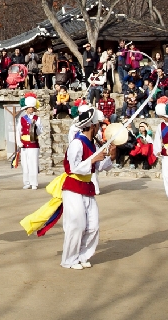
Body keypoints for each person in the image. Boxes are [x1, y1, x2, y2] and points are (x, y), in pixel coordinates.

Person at [21, 103, 114, 269]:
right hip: (73, 188)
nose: (100, 127)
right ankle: (69, 260)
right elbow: (72, 168)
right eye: (98, 125)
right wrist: (93, 159)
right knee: (76, 225)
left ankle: (82, 256)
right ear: (93, 126)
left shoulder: (93, 144)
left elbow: (98, 167)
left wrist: (111, 157)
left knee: (93, 225)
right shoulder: (77, 143)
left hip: (87, 188)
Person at [17, 94, 41, 189]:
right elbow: (18, 131)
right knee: (25, 164)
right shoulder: (22, 118)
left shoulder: (37, 118)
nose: (30, 109)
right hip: (24, 144)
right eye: (29, 107)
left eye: (32, 107)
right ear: (26, 108)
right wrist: (19, 142)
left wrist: (36, 126)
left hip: (33, 144)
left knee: (33, 163)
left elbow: (39, 132)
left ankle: (34, 183)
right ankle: (27, 182)